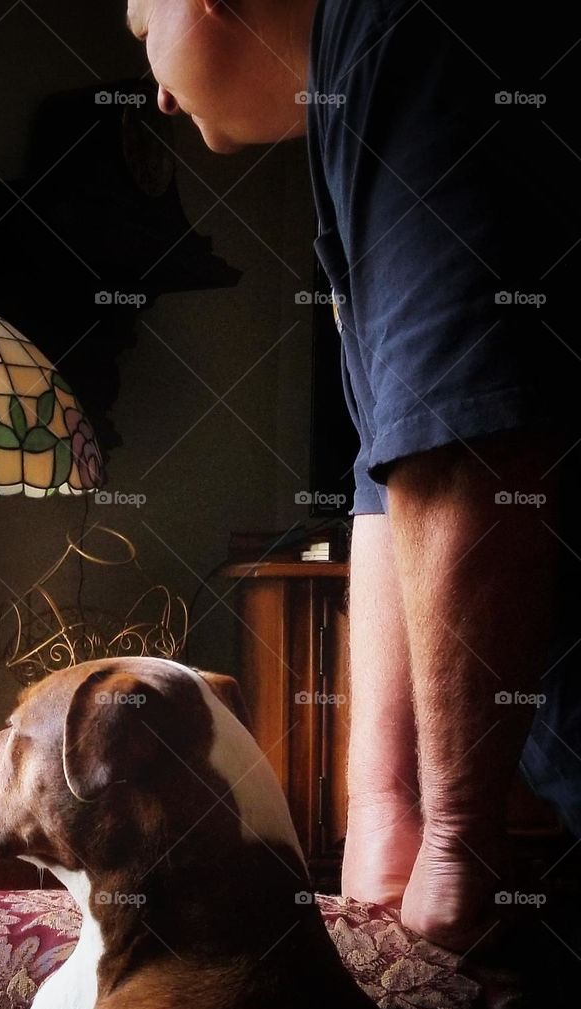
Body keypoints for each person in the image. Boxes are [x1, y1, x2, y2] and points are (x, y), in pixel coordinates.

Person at [127, 0, 581, 950]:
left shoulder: (406, 36)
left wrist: (456, 843)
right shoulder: (354, 88)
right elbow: (392, 470)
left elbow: (467, 455)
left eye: (140, 29)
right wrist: (383, 812)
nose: (157, 91)